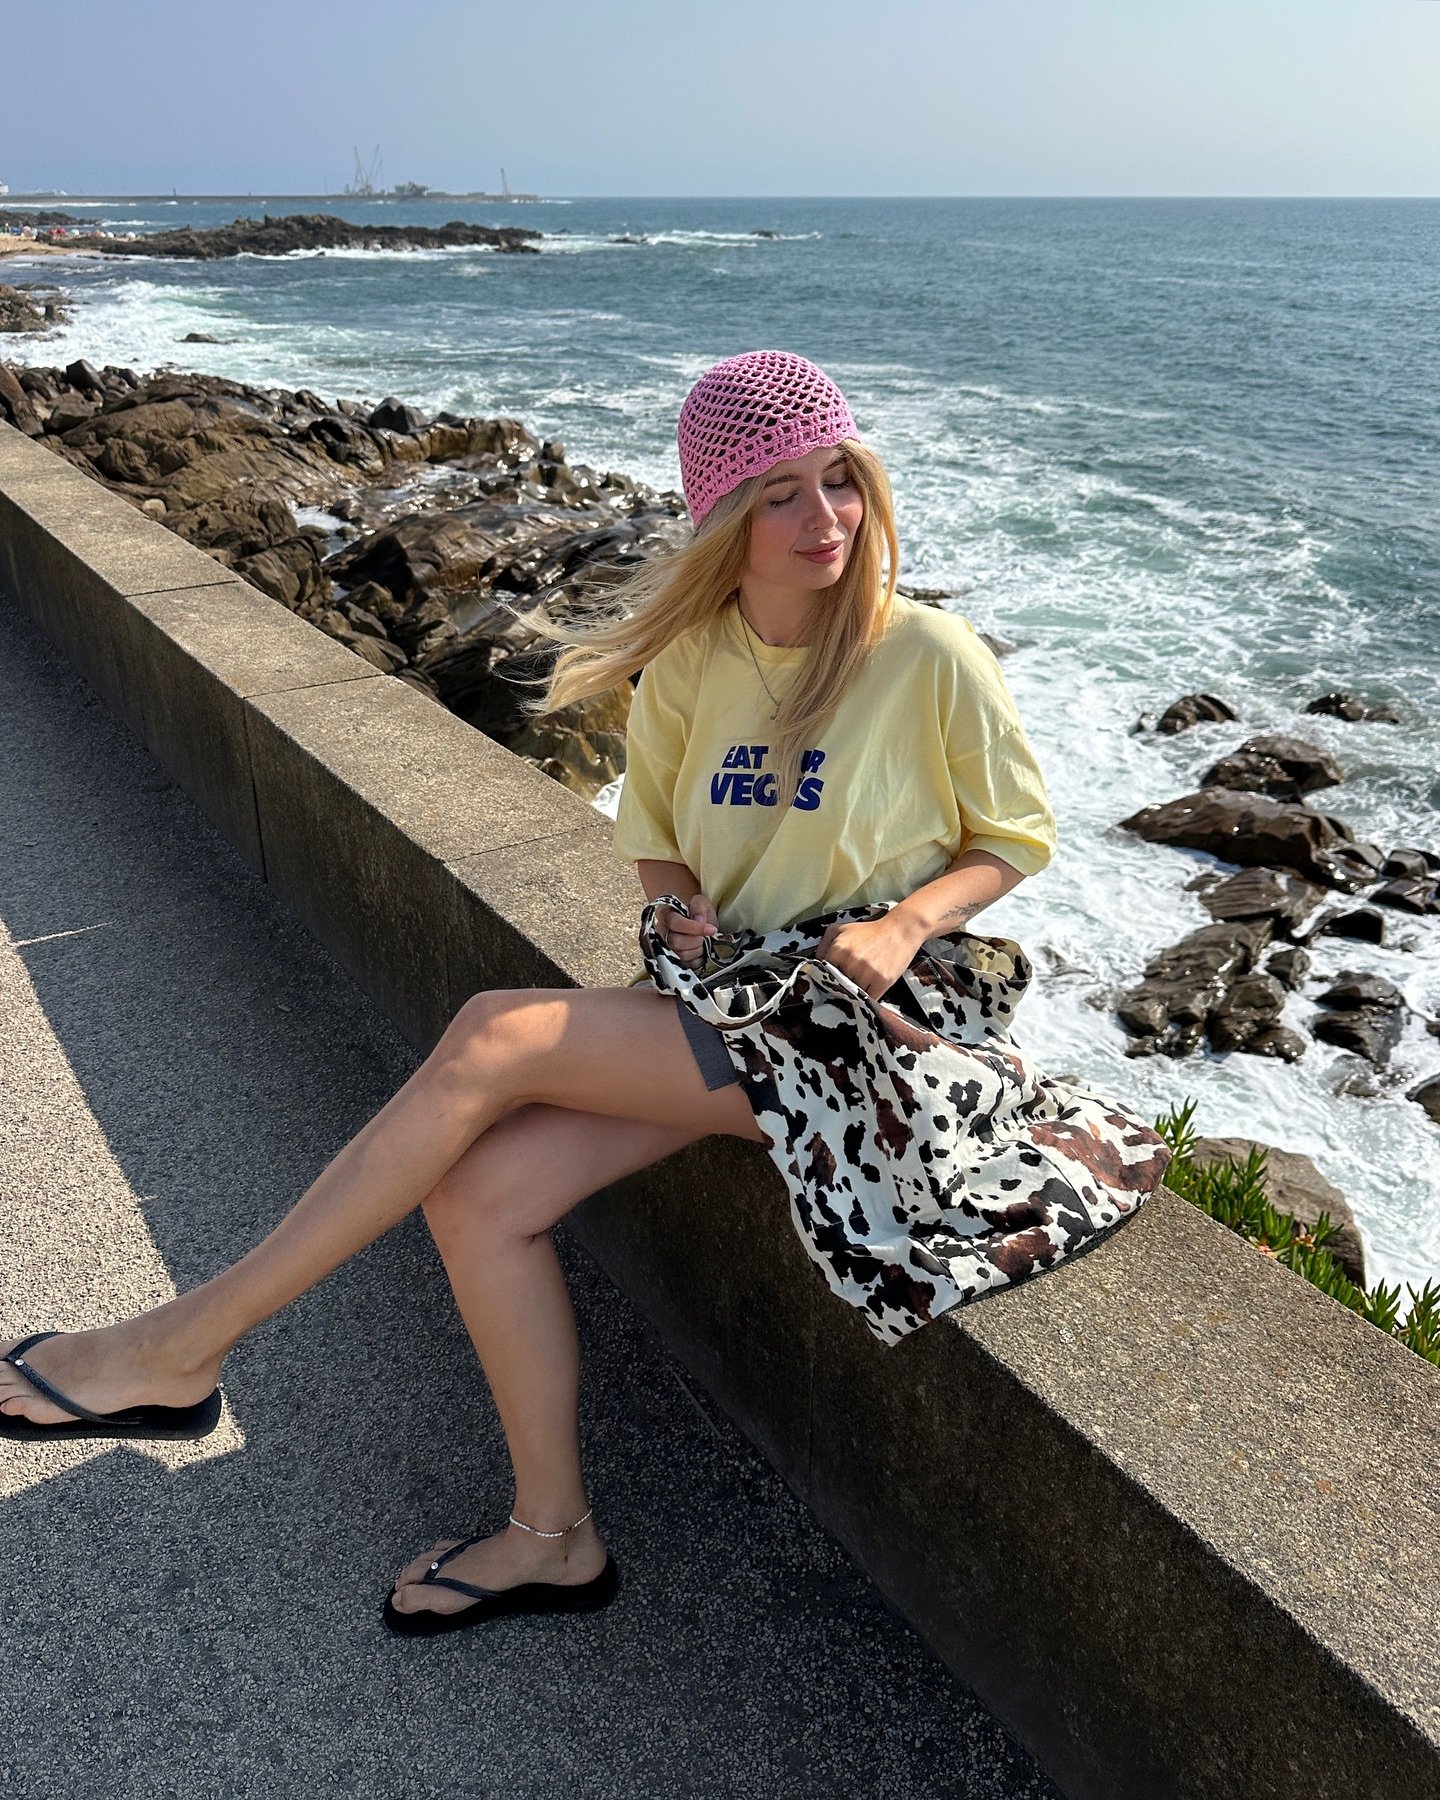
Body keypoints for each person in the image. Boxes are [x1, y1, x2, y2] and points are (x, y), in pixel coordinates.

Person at [0, 349, 1056, 1635]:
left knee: (493, 1035)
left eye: (840, 480)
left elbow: (1014, 838)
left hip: (869, 1020)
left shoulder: (925, 653)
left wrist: (904, 920)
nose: (824, 518)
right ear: (723, 513)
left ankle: (181, 1344)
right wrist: (676, 900)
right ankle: (554, 1537)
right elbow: (656, 835)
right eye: (780, 492)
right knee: (481, 1193)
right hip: (736, 1004)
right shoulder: (690, 663)